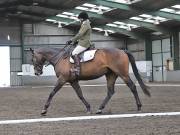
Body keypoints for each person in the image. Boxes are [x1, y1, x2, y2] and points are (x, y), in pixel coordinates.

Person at [66, 11, 92, 78]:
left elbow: (80, 34)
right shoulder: (85, 24)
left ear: (82, 18)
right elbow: (82, 35)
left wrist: (71, 40)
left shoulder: (85, 24)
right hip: (82, 41)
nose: (79, 20)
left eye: (80, 18)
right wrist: (76, 41)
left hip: (84, 43)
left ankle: (77, 69)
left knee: (74, 53)